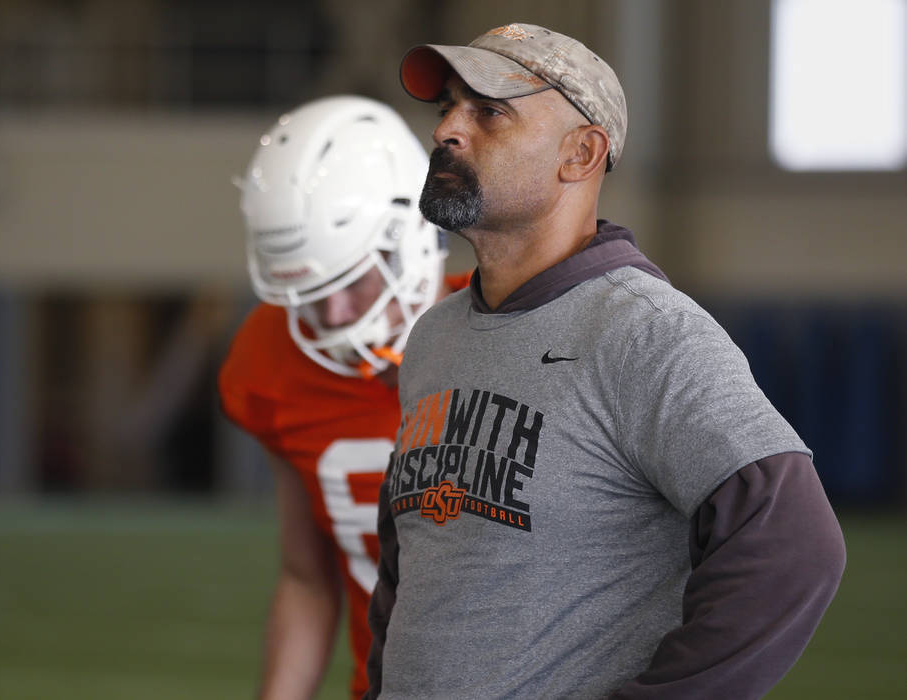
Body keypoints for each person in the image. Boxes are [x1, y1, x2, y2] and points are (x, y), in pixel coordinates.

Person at [365, 22, 846, 700]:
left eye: (488, 112)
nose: (446, 129)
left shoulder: (648, 333)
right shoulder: (435, 336)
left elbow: (794, 549)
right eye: (446, 105)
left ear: (581, 153)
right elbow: (404, 569)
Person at [217, 95, 470, 700]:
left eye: (349, 281)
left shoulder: (516, 333)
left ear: (405, 239)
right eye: (307, 291)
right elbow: (307, 576)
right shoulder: (270, 358)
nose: (331, 316)